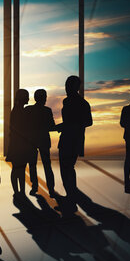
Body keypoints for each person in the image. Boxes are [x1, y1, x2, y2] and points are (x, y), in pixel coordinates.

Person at [55, 76, 92, 215]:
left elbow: (88, 121)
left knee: (68, 169)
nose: (66, 88)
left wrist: (69, 126)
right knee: (66, 170)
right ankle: (70, 199)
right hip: (66, 139)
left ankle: (71, 202)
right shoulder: (67, 101)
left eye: (68, 85)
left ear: (75, 87)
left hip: (73, 139)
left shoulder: (82, 103)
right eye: (66, 85)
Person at [26, 89, 58, 197]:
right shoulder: (47, 111)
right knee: (47, 166)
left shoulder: (28, 110)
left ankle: (34, 187)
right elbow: (51, 127)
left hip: (32, 141)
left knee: (32, 165)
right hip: (43, 140)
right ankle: (51, 189)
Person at [6, 89, 32, 197]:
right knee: (19, 169)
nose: (28, 99)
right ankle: (19, 191)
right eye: (26, 97)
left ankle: (18, 191)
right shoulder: (20, 111)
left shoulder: (16, 111)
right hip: (20, 145)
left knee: (17, 169)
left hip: (16, 144)